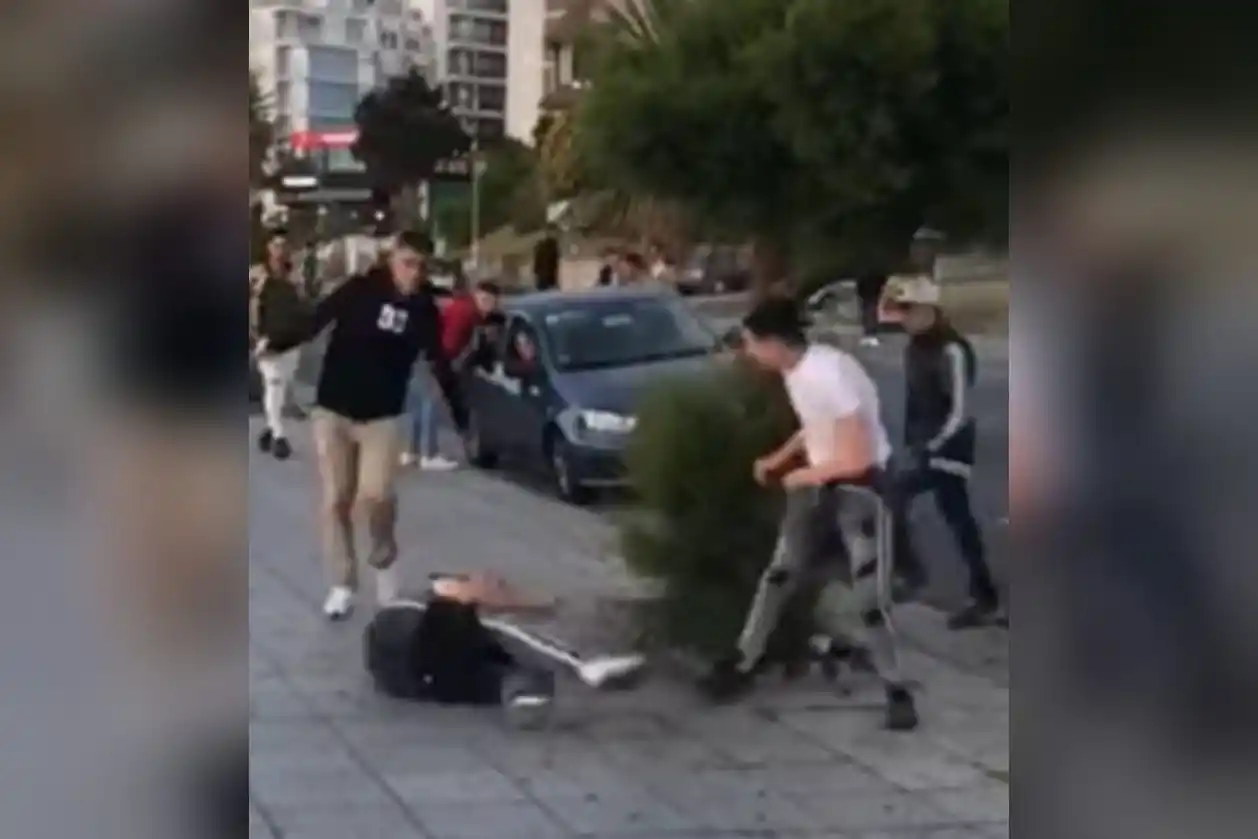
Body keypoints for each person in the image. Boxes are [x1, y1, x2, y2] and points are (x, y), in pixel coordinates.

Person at [700, 297, 918, 731]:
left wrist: (805, 476)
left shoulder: (827, 374)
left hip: (860, 491)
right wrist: (780, 458)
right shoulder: (799, 370)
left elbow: (857, 457)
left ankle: (897, 690)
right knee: (780, 573)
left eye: (750, 343)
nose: (748, 353)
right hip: (819, 484)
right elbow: (817, 424)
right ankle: (744, 662)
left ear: (774, 342)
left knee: (869, 598)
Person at [257, 231, 452, 619]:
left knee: (376, 494)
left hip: (381, 416)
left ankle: (384, 558)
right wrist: (275, 341)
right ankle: (343, 583)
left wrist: (461, 410)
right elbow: (315, 321)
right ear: (391, 260)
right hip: (333, 410)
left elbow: (438, 359)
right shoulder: (359, 290)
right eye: (406, 263)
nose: (412, 274)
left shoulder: (424, 309)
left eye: (420, 267)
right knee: (336, 499)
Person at [880, 276, 1003, 629]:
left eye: (909, 311)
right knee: (958, 518)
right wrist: (911, 442)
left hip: (950, 447)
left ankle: (910, 574)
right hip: (924, 445)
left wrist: (934, 445)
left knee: (893, 496)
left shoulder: (953, 349)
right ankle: (985, 595)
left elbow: (961, 409)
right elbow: (915, 403)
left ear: (929, 309)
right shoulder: (914, 349)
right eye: (901, 312)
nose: (904, 319)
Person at [402, 279, 501, 470]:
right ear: (477, 296)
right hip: (432, 358)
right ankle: (429, 454)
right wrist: (446, 370)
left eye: (493, 302)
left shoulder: (464, 309)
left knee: (419, 405)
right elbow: (448, 345)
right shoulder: (465, 313)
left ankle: (413, 452)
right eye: (486, 300)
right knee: (430, 403)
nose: (489, 307)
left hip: (421, 355)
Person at [249, 229, 305, 460]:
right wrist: (254, 336)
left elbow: (302, 305)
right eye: (276, 245)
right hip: (266, 339)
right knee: (274, 383)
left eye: (284, 244)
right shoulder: (257, 275)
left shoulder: (295, 276)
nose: (280, 250)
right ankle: (279, 437)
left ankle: (271, 428)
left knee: (283, 387)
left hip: (290, 341)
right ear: (268, 248)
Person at [533, 225, 560, 291]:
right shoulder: (549, 247)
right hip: (546, 278)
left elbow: (554, 265)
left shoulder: (551, 246)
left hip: (546, 278)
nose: (554, 234)